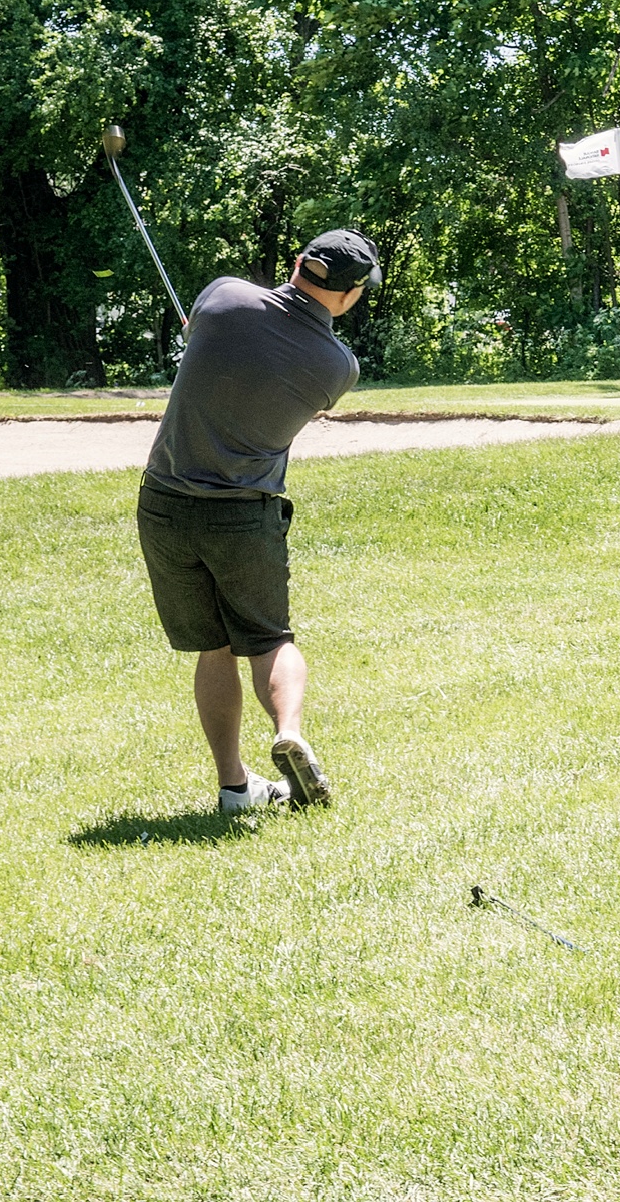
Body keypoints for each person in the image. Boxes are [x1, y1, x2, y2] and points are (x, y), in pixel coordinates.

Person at [136, 229, 378, 815]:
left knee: (212, 647)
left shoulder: (221, 296)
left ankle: (234, 788)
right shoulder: (335, 367)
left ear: (299, 263)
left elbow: (212, 335)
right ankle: (289, 730)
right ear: (348, 296)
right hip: (243, 514)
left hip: (164, 506)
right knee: (270, 638)